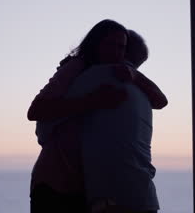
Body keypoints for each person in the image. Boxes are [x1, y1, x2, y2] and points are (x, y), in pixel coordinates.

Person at [27, 21, 167, 212]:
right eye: (110, 45)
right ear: (95, 44)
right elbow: (35, 112)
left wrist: (133, 75)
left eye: (121, 48)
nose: (116, 52)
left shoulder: (116, 75)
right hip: (56, 181)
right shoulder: (77, 67)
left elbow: (160, 100)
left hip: (82, 187)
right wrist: (94, 100)